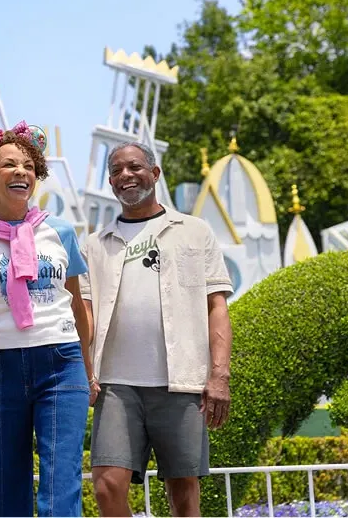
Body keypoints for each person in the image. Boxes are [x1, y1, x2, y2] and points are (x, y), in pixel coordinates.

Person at [0, 120, 96, 517]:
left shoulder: (60, 233)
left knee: (61, 491)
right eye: (8, 165)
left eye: (27, 165)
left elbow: (78, 308)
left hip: (61, 365)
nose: (20, 172)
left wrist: (88, 371)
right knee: (7, 497)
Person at [80, 141, 233, 517]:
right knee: (106, 486)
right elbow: (84, 313)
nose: (125, 176)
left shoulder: (195, 232)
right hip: (116, 386)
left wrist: (219, 375)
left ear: (155, 173)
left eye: (134, 167)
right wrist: (84, 370)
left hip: (181, 384)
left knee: (183, 493)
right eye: (116, 171)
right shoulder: (94, 246)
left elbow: (217, 307)